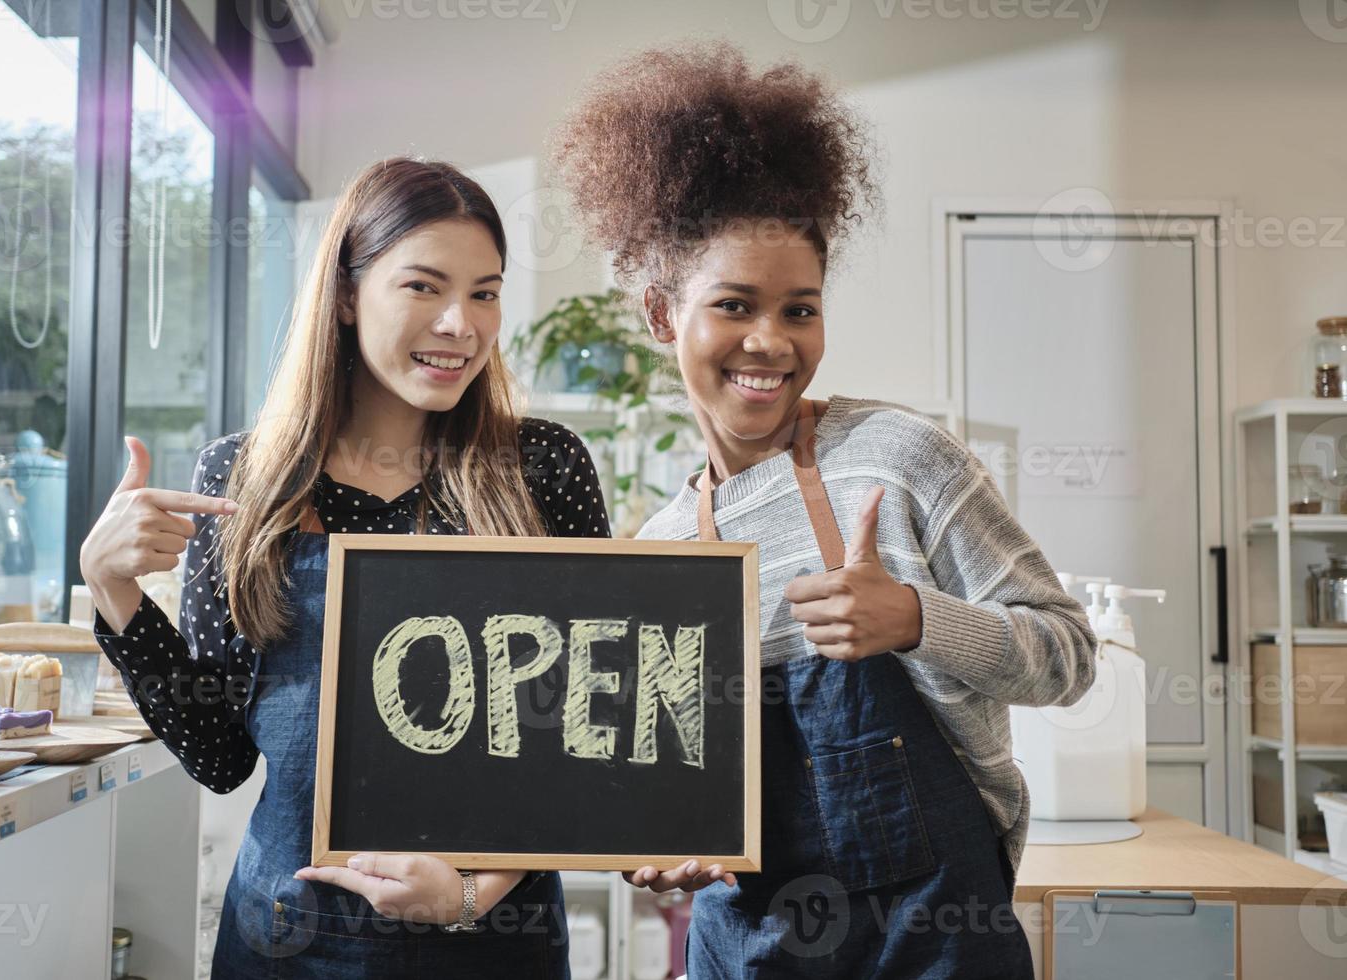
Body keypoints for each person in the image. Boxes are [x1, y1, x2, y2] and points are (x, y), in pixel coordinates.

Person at [553, 44, 1096, 977]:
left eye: (800, 310)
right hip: (749, 949)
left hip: (938, 940)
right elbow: (665, 796)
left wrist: (919, 621)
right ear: (658, 314)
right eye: (734, 304)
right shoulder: (663, 551)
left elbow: (1069, 659)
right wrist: (668, 843)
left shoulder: (899, 458)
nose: (771, 341)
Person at [81, 157, 608, 978]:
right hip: (284, 940)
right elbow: (221, 758)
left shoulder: (543, 467)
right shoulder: (242, 479)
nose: (460, 324)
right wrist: (114, 591)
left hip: (493, 939)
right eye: (424, 287)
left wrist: (474, 891)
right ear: (348, 293)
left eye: (484, 292)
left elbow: (590, 733)